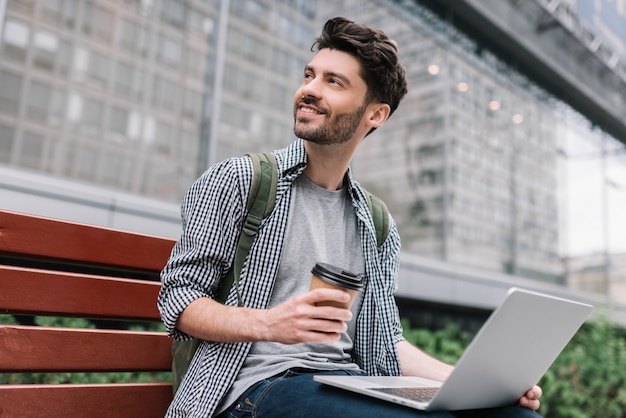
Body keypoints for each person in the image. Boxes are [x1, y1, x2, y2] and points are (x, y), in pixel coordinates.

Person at [158, 17, 543, 418]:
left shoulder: (376, 223)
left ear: (375, 114)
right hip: (252, 391)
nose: (309, 90)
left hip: (344, 384)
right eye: (310, 76)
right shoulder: (241, 181)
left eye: (333, 82)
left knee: (514, 416)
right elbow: (179, 298)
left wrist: (472, 382)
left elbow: (386, 340)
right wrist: (269, 324)